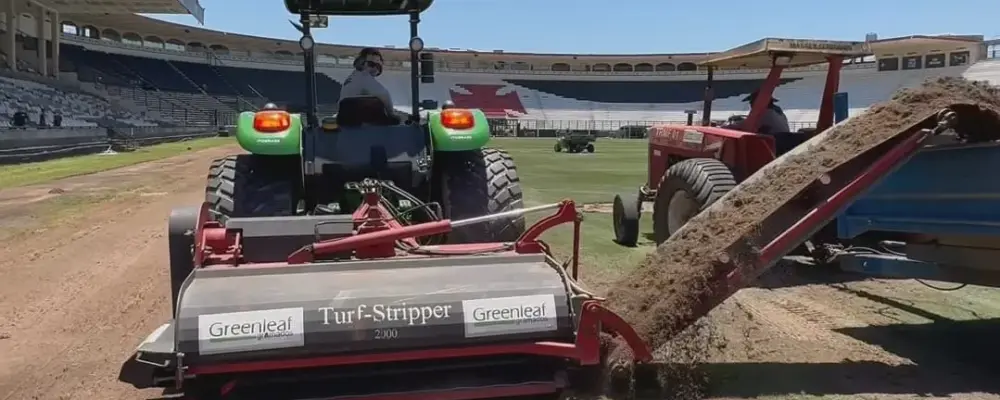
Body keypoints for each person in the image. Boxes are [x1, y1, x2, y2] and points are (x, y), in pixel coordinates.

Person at [339, 47, 394, 115]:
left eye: (378, 66)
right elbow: (384, 95)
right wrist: (392, 115)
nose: (374, 68)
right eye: (371, 64)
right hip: (358, 122)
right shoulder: (364, 76)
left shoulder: (353, 76)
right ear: (361, 63)